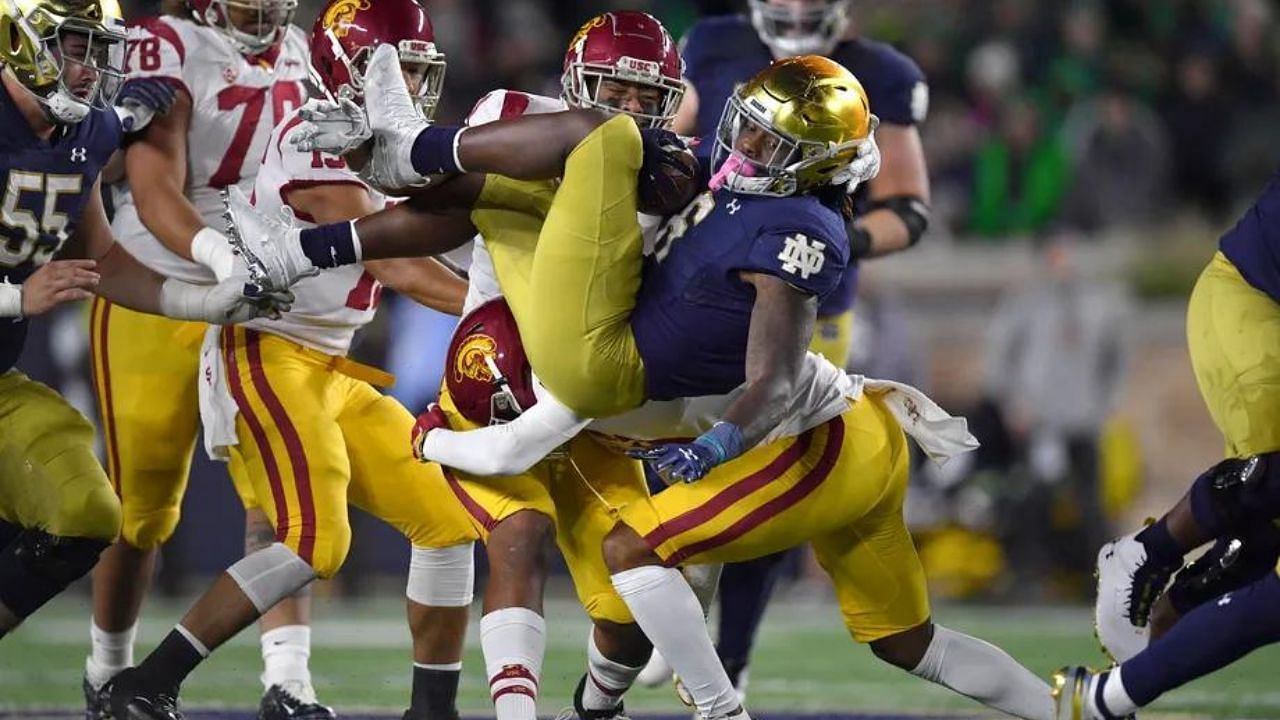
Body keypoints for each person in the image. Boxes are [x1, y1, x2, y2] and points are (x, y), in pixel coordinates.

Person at [236, 49, 1055, 720]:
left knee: (635, 548)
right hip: (817, 428)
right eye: (750, 131)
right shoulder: (728, 184)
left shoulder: (798, 230)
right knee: (906, 640)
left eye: (770, 146)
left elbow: (765, 382)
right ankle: (1075, 709)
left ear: (814, 166)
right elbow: (495, 205)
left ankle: (717, 708)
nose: (742, 150)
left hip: (812, 444)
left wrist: (708, 451)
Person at [663, 1, 931, 692]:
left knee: (764, 477)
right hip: (704, 281)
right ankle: (674, 599)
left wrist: (821, 238)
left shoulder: (880, 74)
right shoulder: (718, 43)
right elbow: (668, 149)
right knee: (667, 447)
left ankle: (734, 657)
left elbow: (908, 206)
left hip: (807, 306)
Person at [0, 0, 282, 644]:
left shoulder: (85, 133)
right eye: (76, 47)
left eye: (101, 49)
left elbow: (101, 256)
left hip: (1, 383)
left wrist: (203, 300)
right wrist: (15, 298)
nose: (91, 68)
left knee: (87, 512)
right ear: (18, 41)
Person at [83, 0, 321, 715]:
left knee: (283, 496)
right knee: (141, 509)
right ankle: (108, 672)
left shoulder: (302, 51)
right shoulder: (167, 44)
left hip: (262, 297)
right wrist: (220, 258)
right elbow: (154, 188)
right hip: (158, 286)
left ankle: (288, 682)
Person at [1054, 169, 1280, 719]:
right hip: (1253, 302)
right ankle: (1144, 560)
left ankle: (1141, 653)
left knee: (1262, 546)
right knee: (1272, 497)